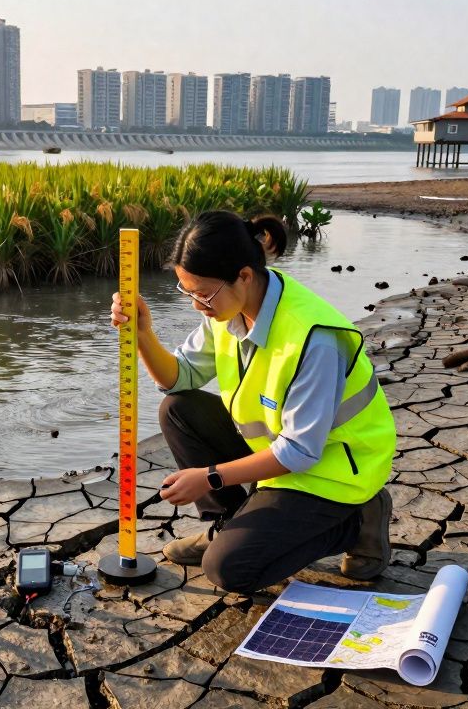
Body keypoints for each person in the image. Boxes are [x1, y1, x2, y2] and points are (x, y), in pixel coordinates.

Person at [110, 210, 396, 594]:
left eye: (203, 292)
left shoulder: (314, 338)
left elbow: (298, 452)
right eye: (188, 291)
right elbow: (178, 377)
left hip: (331, 474)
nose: (197, 304)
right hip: (278, 460)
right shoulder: (228, 309)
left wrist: (209, 476)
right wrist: (143, 334)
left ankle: (358, 522)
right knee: (178, 409)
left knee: (230, 570)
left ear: (243, 275)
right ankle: (229, 523)